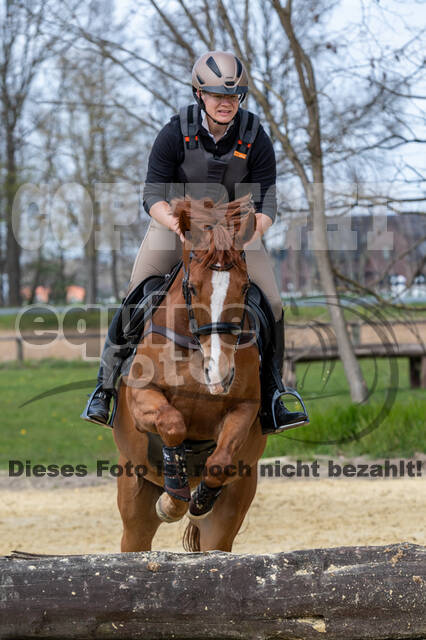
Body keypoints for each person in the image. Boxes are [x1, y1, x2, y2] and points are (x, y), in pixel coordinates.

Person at [82, 51, 308, 433]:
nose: (226, 103)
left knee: (272, 302)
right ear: (199, 94)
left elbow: (268, 201)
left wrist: (247, 235)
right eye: (217, 95)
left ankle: (273, 396)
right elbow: (152, 195)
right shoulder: (174, 132)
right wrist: (177, 225)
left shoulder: (255, 136)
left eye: (233, 97)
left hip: (237, 230)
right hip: (179, 225)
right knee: (137, 291)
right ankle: (105, 389)